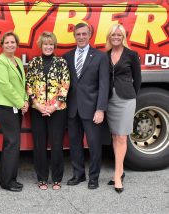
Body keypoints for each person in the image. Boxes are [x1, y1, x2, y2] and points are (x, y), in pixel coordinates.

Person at [63, 23, 109, 189]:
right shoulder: (66, 57)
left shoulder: (100, 56)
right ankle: (78, 174)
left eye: (84, 34)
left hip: (92, 109)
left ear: (90, 35)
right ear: (74, 36)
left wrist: (100, 109)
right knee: (74, 143)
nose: (81, 37)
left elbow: (104, 85)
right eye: (78, 34)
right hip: (72, 109)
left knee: (94, 144)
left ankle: (94, 177)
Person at [26, 32, 70, 190]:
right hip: (38, 110)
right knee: (39, 145)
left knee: (56, 144)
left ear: (54, 45)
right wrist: (37, 105)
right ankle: (42, 178)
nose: (48, 47)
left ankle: (57, 178)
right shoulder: (34, 62)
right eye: (45, 44)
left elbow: (65, 86)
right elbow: (29, 85)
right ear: (41, 45)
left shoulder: (61, 63)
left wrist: (54, 106)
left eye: (51, 44)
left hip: (57, 110)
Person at [105, 24, 141, 193]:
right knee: (114, 135)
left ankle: (118, 175)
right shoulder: (105, 55)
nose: (116, 38)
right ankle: (120, 170)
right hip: (110, 100)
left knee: (121, 137)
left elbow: (138, 80)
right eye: (113, 35)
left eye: (119, 35)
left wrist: (132, 96)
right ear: (109, 37)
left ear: (123, 37)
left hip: (126, 99)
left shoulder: (132, 55)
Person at [0, 31, 29, 192]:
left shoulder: (16, 61)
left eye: (12, 42)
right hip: (5, 107)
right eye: (7, 42)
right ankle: (6, 182)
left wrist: (26, 100)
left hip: (16, 106)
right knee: (12, 143)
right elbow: (5, 86)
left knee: (14, 143)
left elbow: (23, 84)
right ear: (2, 45)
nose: (10, 45)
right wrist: (21, 103)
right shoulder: (0, 61)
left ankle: (11, 178)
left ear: (16, 44)